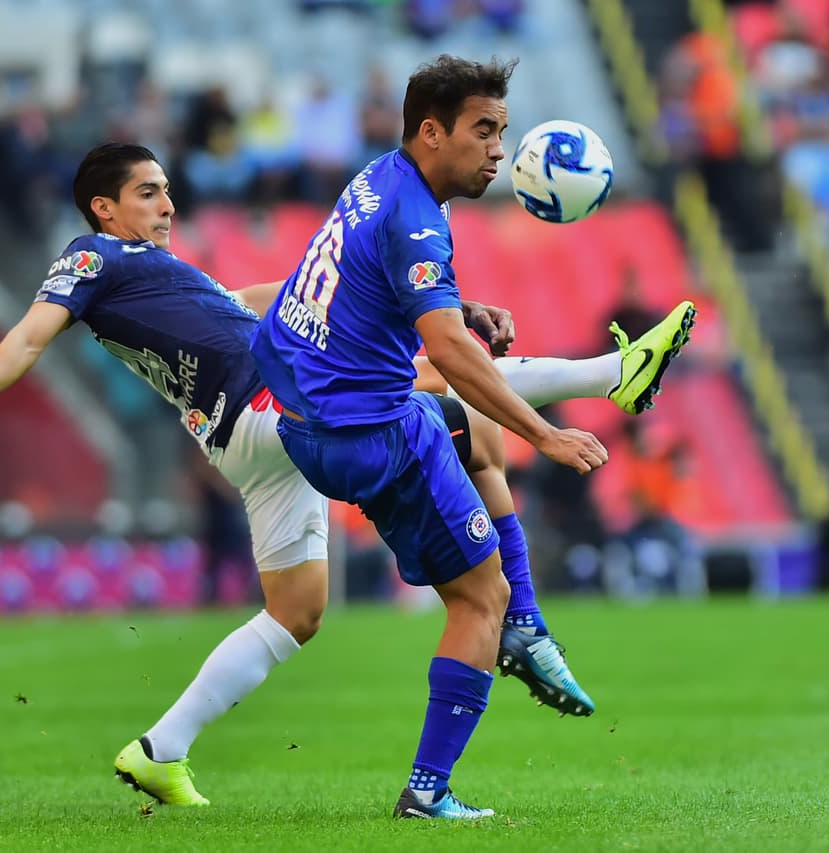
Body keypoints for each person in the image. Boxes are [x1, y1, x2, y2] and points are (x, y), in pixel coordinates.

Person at [0, 141, 694, 813]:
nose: (167, 202)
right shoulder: (94, 257)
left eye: (165, 188)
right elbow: (27, 336)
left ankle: (161, 747)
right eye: (147, 191)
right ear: (104, 209)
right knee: (427, 382)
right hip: (264, 403)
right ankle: (612, 374)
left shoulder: (155, 272)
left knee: (297, 610)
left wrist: (452, 302)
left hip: (239, 436)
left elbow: (257, 302)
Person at [249, 56, 695, 819]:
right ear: (432, 131)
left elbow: (377, 293)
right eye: (485, 131)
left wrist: (465, 307)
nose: (499, 149)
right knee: (478, 596)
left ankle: (527, 624)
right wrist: (548, 435)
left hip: (311, 424)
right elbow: (449, 353)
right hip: (370, 430)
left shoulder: (382, 181)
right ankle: (431, 785)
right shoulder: (416, 216)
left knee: (473, 424)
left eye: (504, 131)